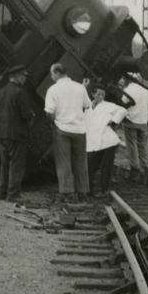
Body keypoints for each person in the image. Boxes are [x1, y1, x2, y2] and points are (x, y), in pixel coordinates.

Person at [43, 63, 91, 201]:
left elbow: (49, 112)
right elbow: (87, 105)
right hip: (79, 130)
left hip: (62, 129)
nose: (51, 76)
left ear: (58, 74)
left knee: (64, 162)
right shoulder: (80, 87)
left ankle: (67, 193)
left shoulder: (53, 89)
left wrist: (54, 123)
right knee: (80, 162)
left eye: (52, 74)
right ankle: (82, 192)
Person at [0, 66, 36, 201]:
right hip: (16, 135)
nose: (25, 79)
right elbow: (26, 115)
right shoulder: (20, 92)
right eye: (24, 76)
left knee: (4, 165)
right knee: (16, 165)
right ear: (17, 76)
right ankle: (13, 194)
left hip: (1, 134)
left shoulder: (0, 92)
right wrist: (31, 115)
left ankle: (2, 193)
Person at [86, 85, 127, 196]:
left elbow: (123, 110)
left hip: (107, 141)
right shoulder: (87, 106)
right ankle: (88, 189)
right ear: (93, 94)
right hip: (93, 141)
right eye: (98, 94)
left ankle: (104, 190)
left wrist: (113, 121)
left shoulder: (108, 105)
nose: (101, 97)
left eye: (103, 95)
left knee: (106, 166)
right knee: (89, 165)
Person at [119, 73, 148, 183]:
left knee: (131, 144)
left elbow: (122, 107)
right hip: (143, 121)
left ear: (127, 80)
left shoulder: (127, 91)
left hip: (130, 120)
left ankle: (135, 167)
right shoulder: (145, 91)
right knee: (143, 144)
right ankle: (146, 165)